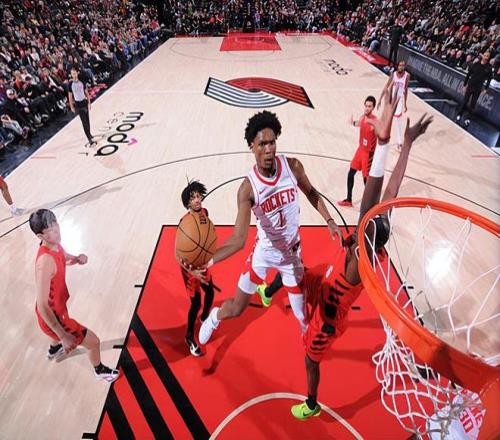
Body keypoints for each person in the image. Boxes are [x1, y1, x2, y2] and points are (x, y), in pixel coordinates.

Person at [290, 93, 433, 420]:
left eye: (364, 225)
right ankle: (273, 289)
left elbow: (368, 204)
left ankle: (311, 404)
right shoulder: (372, 235)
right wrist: (406, 146)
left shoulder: (360, 257)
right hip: (326, 283)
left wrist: (382, 144)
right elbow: (390, 191)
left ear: (364, 238)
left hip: (329, 318)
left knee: (310, 359)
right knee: (293, 272)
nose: (362, 222)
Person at [196, 111, 342, 345]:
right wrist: (208, 261)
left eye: (272, 142)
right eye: (262, 144)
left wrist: (330, 220)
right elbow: (238, 239)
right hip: (264, 254)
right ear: (251, 147)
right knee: (236, 308)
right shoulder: (248, 189)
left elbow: (312, 193)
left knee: (303, 318)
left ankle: (309, 348)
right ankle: (214, 318)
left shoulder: (293, 167)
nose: (268, 149)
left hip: (292, 256)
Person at [29, 209, 119, 383]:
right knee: (93, 342)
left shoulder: (54, 244)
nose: (57, 230)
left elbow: (63, 257)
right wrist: (63, 335)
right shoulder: (44, 262)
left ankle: (54, 349)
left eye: (56, 224)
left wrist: (76, 259)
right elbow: (42, 305)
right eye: (51, 229)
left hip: (57, 309)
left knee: (55, 334)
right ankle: (100, 371)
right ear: (41, 236)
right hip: (54, 316)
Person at [177, 180, 216, 357]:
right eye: (193, 198)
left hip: (201, 264)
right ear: (188, 203)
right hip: (189, 269)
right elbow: (179, 253)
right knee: (196, 303)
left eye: (198, 196)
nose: (197, 200)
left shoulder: (205, 212)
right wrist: (191, 270)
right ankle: (189, 337)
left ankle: (204, 318)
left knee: (210, 293)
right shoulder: (184, 223)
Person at [337, 96, 378, 208]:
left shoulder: (375, 122)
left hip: (368, 153)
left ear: (373, 107)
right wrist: (352, 123)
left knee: (366, 179)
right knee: (351, 173)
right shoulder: (363, 117)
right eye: (366, 106)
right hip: (360, 150)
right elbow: (358, 123)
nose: (367, 108)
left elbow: (381, 134)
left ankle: (371, 205)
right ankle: (349, 200)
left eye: (369, 106)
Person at [456, 52, 493, 126]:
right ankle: (459, 114)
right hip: (470, 85)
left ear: (488, 58)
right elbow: (468, 74)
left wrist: (486, 88)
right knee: (465, 101)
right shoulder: (476, 64)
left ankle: (467, 118)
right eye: (485, 55)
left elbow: (489, 79)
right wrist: (464, 85)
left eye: (487, 56)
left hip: (478, 88)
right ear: (483, 56)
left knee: (473, 104)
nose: (486, 57)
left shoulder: (489, 67)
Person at [379, 60, 409, 150]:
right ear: (398, 66)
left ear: (404, 67)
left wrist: (405, 103)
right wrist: (380, 99)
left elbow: (406, 89)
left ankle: (399, 142)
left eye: (403, 65)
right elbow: (386, 86)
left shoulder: (407, 76)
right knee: (387, 119)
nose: (401, 67)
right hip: (391, 100)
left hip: (399, 100)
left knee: (398, 120)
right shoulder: (394, 74)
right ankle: (383, 136)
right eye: (400, 65)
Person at [68, 66, 96, 147]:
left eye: (74, 73)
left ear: (77, 73)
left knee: (87, 120)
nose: (74, 75)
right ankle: (89, 138)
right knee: (84, 122)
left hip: (84, 102)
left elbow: (86, 92)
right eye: (72, 74)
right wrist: (71, 106)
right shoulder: (70, 84)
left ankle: (89, 133)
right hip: (78, 104)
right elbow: (70, 96)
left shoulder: (82, 82)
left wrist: (89, 102)